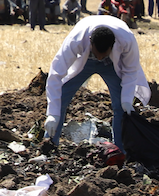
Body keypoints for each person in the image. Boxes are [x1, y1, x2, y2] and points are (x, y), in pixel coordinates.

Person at [43, 15, 150, 149]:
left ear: (113, 46)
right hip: (86, 61)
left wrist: (127, 100)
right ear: (90, 42)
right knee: (62, 97)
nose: (99, 58)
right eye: (97, 53)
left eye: (103, 54)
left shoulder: (126, 40)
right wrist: (52, 114)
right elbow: (56, 73)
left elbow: (131, 71)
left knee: (120, 107)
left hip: (111, 65)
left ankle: (121, 150)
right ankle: (49, 145)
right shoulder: (77, 39)